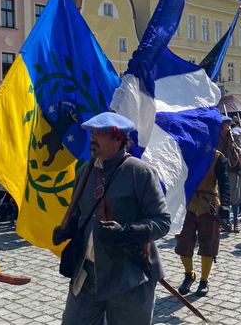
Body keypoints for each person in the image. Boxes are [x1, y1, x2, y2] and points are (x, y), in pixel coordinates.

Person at [53, 112, 170, 325]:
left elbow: (162, 222)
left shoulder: (140, 172)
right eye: (92, 133)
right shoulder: (84, 172)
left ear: (118, 139)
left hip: (129, 276)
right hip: (87, 274)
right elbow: (81, 214)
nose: (93, 139)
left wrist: (125, 232)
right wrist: (68, 229)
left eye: (100, 134)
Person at [175, 145, 229, 296]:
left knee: (209, 243)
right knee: (183, 241)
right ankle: (189, 274)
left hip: (209, 204)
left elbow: (225, 182)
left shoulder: (218, 157)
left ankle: (204, 280)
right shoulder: (185, 153)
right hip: (187, 203)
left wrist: (225, 204)